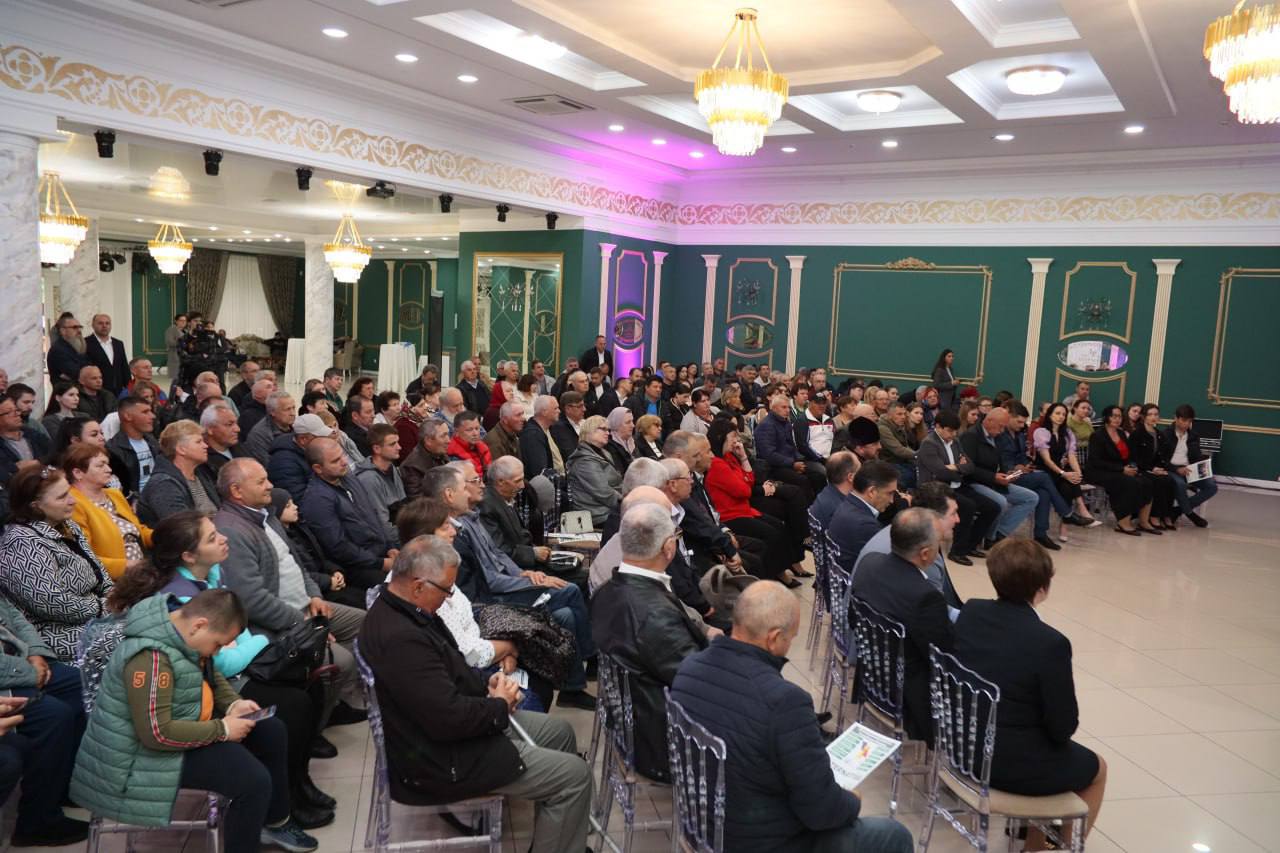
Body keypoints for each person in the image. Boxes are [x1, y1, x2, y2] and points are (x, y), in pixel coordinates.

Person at [358, 537, 593, 853]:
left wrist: (488, 688)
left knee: (560, 732)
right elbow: (447, 718)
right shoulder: (401, 638)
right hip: (441, 758)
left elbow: (449, 672)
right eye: (446, 590)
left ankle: (559, 839)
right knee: (575, 776)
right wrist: (498, 705)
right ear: (417, 586)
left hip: (446, 734)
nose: (448, 598)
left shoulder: (406, 610)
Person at [102, 512, 336, 828]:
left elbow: (231, 637)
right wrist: (259, 642)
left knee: (307, 684)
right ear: (189, 555)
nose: (224, 538)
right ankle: (286, 800)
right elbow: (219, 661)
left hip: (218, 678)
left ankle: (296, 786)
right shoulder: (178, 599)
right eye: (212, 537)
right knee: (291, 706)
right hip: (198, 693)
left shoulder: (211, 574)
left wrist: (243, 650)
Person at [671, 581, 913, 853]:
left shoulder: (690, 668)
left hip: (702, 826)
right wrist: (851, 800)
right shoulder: (785, 702)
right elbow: (821, 813)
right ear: (774, 638)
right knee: (892, 835)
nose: (789, 645)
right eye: (791, 638)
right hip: (762, 841)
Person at [70, 588, 318, 852]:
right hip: (137, 757)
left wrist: (233, 703)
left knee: (270, 729)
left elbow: (209, 672)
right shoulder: (150, 657)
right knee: (252, 781)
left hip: (174, 732)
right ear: (200, 625)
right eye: (219, 644)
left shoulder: (182, 631)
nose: (217, 651)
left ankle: (274, 823)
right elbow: (156, 733)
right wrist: (223, 729)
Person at [955, 539, 1108, 850]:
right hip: (1005, 765)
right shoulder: (1050, 643)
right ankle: (1061, 846)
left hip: (960, 744)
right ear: (1043, 588)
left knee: (1034, 739)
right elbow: (1063, 727)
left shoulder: (972, 611)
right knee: (1098, 768)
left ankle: (1035, 841)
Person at [213, 459, 367, 730]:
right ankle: (316, 725)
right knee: (342, 661)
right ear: (237, 491)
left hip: (306, 606)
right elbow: (252, 600)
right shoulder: (231, 530)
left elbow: (296, 563)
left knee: (364, 622)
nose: (270, 485)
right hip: (276, 624)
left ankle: (337, 700)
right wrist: (305, 625)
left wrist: (314, 594)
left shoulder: (266, 515)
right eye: (261, 481)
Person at [428, 463, 597, 709]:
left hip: (499, 589)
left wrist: (523, 573)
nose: (479, 485)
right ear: (449, 495)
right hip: (488, 602)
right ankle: (589, 663)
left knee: (566, 612)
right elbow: (489, 580)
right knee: (568, 594)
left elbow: (497, 555)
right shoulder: (452, 535)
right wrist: (526, 579)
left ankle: (575, 681)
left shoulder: (470, 518)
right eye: (470, 483)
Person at [590, 503, 708, 782]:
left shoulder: (606, 591)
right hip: (665, 739)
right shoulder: (654, 614)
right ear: (669, 547)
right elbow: (697, 681)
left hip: (631, 720)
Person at [850, 508, 953, 740]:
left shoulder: (869, 563)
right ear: (925, 553)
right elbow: (944, 658)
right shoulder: (926, 597)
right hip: (907, 697)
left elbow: (852, 619)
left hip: (870, 676)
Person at [0, 586, 89, 846]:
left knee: (81, 685)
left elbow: (14, 617)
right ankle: (37, 821)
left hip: (20, 658)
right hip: (8, 676)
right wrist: (29, 672)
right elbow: (51, 601)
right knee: (54, 715)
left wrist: (36, 654)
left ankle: (65, 787)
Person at [0, 463, 113, 660]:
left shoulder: (67, 525)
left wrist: (115, 596)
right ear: (36, 506)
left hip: (95, 617)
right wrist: (103, 606)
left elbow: (99, 571)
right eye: (62, 497)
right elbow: (53, 603)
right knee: (135, 638)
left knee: (151, 619)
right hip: (55, 633)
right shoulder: (21, 542)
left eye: (69, 492)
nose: (73, 501)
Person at [704, 418, 806, 580]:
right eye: (733, 436)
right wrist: (746, 482)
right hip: (731, 515)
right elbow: (744, 491)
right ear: (721, 437)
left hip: (744, 509)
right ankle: (774, 573)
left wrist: (743, 457)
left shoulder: (729, 457)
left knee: (780, 526)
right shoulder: (717, 464)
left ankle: (782, 570)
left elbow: (749, 481)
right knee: (772, 534)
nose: (736, 440)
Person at [298, 438, 398, 594]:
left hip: (381, 552)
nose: (344, 462)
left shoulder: (348, 477)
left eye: (343, 455)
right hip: (358, 568)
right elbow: (338, 547)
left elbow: (373, 514)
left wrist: (390, 546)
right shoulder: (317, 500)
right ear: (318, 468)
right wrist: (381, 563)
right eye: (335, 461)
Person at [855, 482, 965, 619]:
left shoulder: (897, 531)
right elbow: (936, 613)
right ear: (933, 517)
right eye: (953, 513)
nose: (958, 519)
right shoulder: (922, 553)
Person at [916, 410, 1000, 564]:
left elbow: (970, 466)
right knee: (968, 506)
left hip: (957, 485)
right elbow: (940, 472)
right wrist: (959, 468)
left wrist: (954, 467)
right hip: (936, 489)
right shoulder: (929, 444)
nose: (953, 434)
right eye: (950, 430)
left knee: (992, 507)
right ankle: (957, 552)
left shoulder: (955, 442)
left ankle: (969, 546)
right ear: (938, 427)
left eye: (955, 431)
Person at [65, 443, 153, 579]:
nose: (109, 469)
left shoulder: (114, 494)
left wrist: (163, 535)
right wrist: (128, 566)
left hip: (140, 571)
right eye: (100, 466)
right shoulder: (73, 504)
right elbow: (85, 557)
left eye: (107, 464)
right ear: (78, 473)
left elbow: (138, 530)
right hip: (112, 581)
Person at [959, 407, 1040, 547]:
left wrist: (1008, 474)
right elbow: (968, 469)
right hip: (974, 483)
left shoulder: (996, 436)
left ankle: (1000, 533)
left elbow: (999, 461)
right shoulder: (970, 436)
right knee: (1000, 502)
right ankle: (989, 537)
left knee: (1031, 497)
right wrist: (994, 477)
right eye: (1001, 426)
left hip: (995, 481)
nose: (1002, 431)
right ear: (989, 421)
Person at [1085, 405, 1153, 536]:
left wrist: (1131, 466)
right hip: (1098, 471)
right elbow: (1096, 461)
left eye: (1120, 416)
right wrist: (1121, 469)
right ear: (1107, 417)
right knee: (1129, 483)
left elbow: (1128, 456)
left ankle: (1143, 521)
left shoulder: (1121, 433)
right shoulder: (1097, 435)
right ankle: (1123, 522)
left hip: (1118, 470)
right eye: (1114, 416)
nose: (1117, 419)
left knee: (1147, 482)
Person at [137, 420, 220, 525]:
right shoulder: (163, 485)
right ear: (181, 449)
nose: (206, 446)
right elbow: (182, 527)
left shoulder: (201, 474)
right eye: (198, 442)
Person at [1032, 403, 1100, 529]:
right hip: (1044, 472)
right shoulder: (1041, 432)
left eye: (1064, 414)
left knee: (1069, 484)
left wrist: (1078, 473)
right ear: (1050, 415)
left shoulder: (1067, 433)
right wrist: (1063, 473)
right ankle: (1078, 513)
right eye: (1057, 413)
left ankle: (1069, 522)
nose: (1061, 417)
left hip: (1059, 472)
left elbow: (1071, 456)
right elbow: (1047, 460)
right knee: (1068, 479)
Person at [754, 393, 826, 501]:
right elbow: (769, 455)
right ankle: (808, 507)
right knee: (803, 480)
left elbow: (792, 447)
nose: (787, 410)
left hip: (789, 462)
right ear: (773, 408)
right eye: (784, 407)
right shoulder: (766, 426)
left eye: (789, 407)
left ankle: (821, 504)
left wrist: (799, 460)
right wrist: (792, 464)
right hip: (774, 467)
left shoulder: (785, 423)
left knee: (818, 475)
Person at [829, 460, 898, 571]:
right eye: (890, 493)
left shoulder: (846, 504)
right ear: (872, 491)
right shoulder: (865, 525)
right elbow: (890, 567)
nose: (892, 500)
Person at [1158, 403, 1218, 527]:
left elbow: (1196, 456)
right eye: (1184, 420)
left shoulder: (1193, 435)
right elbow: (1161, 459)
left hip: (1189, 469)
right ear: (1176, 418)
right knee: (1180, 484)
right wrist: (1176, 469)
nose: (1186, 424)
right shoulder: (1165, 434)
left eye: (1189, 421)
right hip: (1171, 469)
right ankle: (1191, 514)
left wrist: (1205, 470)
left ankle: (1178, 510)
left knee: (1212, 486)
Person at [352, 424, 406, 544]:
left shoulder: (390, 466)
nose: (399, 447)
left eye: (397, 442)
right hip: (391, 541)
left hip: (402, 529)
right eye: (392, 444)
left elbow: (403, 503)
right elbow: (383, 526)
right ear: (377, 449)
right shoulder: (368, 479)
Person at [566, 415, 621, 525]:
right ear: (589, 431)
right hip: (598, 515)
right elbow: (604, 493)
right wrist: (628, 502)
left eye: (608, 430)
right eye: (603, 429)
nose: (608, 433)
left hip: (609, 509)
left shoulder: (603, 453)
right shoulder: (584, 461)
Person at [267, 413, 334, 503]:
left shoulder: (310, 450)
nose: (325, 439)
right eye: (319, 437)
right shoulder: (284, 464)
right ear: (303, 439)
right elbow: (299, 499)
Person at [0, 395, 51, 488]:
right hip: (17, 490)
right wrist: (15, 468)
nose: (17, 414)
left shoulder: (32, 434)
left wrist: (37, 463)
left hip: (46, 484)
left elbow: (55, 454)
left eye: (16, 410)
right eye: (9, 412)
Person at [401, 417, 452, 497]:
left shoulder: (440, 454)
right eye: (443, 436)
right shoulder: (412, 467)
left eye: (448, 434)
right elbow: (418, 500)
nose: (448, 441)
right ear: (428, 440)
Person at [242, 391, 295, 466]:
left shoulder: (297, 426)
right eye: (287, 409)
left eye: (293, 408)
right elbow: (270, 465)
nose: (293, 413)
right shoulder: (259, 435)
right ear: (272, 412)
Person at [84, 313, 131, 396]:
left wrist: (129, 388)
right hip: (97, 390)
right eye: (100, 323)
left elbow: (124, 367)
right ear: (93, 325)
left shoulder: (118, 343)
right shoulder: (86, 343)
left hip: (118, 391)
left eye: (107, 323)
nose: (104, 326)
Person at [446, 409, 492, 477]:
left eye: (477, 428)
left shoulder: (483, 447)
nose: (475, 433)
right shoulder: (453, 455)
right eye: (469, 430)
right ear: (456, 432)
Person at [48, 314, 89, 384]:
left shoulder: (78, 347)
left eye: (80, 327)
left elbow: (89, 365)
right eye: (75, 327)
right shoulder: (58, 350)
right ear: (63, 331)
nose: (79, 330)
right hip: (67, 389)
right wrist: (86, 371)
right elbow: (75, 372)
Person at [551, 390, 586, 460]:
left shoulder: (585, 423)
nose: (584, 409)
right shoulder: (559, 428)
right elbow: (570, 454)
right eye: (580, 406)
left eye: (584, 405)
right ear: (568, 409)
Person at [604, 406, 635, 475]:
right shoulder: (610, 446)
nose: (633, 425)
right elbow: (620, 473)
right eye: (628, 422)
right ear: (616, 424)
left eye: (632, 421)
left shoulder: (632, 441)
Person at [163, 313, 187, 378]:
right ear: (176, 321)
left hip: (184, 356)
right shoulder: (171, 330)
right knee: (175, 377)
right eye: (181, 320)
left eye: (185, 321)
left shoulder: (185, 331)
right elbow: (169, 342)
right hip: (175, 355)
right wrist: (183, 343)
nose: (183, 322)